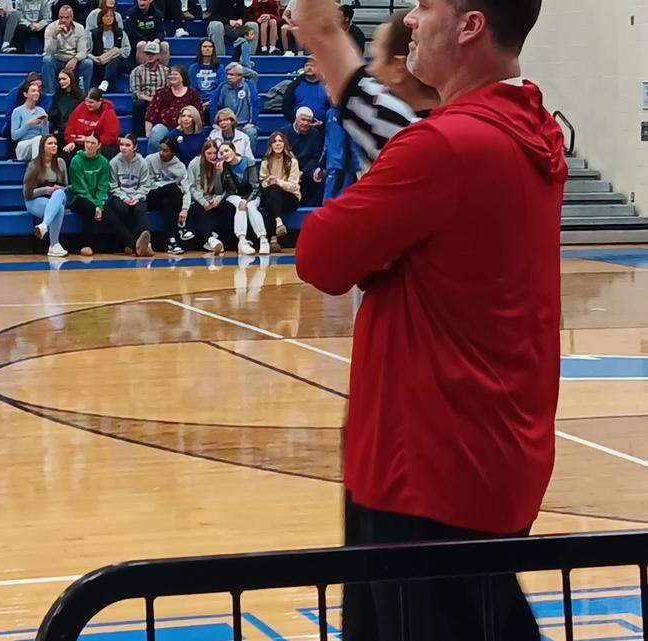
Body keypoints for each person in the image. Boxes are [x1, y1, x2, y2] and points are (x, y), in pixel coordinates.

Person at [293, 0, 565, 638]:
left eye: (424, 6)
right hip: (486, 455)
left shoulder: (445, 145)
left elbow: (321, 255)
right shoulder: (531, 129)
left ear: (471, 26)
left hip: (425, 469)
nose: (410, 19)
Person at [291, 6, 438, 167]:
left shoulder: (397, 127)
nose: (370, 70)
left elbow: (320, 28)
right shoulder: (460, 125)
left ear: (399, 67)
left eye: (376, 59)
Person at [71, 135, 149, 257]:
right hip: (80, 198)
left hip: (98, 199)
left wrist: (100, 204)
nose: (89, 145)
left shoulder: (103, 162)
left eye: (93, 142)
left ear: (99, 145)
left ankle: (134, 246)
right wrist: (96, 205)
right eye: (87, 142)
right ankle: (85, 245)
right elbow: (80, 188)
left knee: (111, 215)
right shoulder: (76, 160)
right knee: (89, 208)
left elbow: (103, 188)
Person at [105, 134, 154, 254]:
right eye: (121, 145)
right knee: (122, 209)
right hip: (120, 195)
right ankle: (138, 245)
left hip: (138, 195)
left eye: (127, 145)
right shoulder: (114, 162)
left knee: (140, 209)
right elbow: (113, 186)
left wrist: (136, 198)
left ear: (135, 147)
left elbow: (145, 185)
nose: (124, 148)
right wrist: (125, 198)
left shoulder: (142, 163)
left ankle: (144, 244)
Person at [24, 133, 71, 257]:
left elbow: (66, 186)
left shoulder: (60, 162)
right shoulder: (33, 165)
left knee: (60, 193)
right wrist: (45, 190)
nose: (54, 146)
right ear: (42, 147)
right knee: (59, 209)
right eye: (50, 143)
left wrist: (57, 188)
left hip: (58, 197)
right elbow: (27, 193)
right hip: (36, 201)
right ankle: (54, 245)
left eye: (55, 143)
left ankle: (44, 225)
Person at [218, 140, 268, 254]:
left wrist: (247, 200)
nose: (224, 154)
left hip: (252, 194)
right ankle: (242, 241)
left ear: (234, 150)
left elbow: (255, 187)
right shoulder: (223, 167)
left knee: (250, 206)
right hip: (233, 195)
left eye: (226, 151)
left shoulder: (249, 163)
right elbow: (220, 190)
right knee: (240, 205)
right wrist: (218, 174)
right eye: (221, 153)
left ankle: (263, 240)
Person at [145, 136, 192, 254]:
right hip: (151, 196)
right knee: (174, 189)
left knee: (169, 202)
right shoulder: (150, 160)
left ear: (173, 152)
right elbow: (147, 184)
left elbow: (186, 190)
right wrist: (169, 186)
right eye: (160, 149)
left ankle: (172, 242)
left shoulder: (180, 167)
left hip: (168, 200)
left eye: (165, 150)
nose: (161, 152)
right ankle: (182, 228)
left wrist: (185, 209)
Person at [146, 66, 204, 152]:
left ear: (183, 77)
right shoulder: (161, 92)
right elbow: (151, 113)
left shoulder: (193, 94)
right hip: (164, 125)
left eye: (175, 74)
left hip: (185, 127)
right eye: (170, 74)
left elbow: (198, 113)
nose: (172, 76)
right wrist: (148, 133)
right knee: (155, 135)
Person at [257, 131, 297, 252]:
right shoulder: (266, 161)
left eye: (280, 141)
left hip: (290, 197)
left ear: (285, 144)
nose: (278, 144)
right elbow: (262, 183)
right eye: (275, 141)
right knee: (272, 194)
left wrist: (278, 182)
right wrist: (268, 181)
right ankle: (278, 223)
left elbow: (294, 186)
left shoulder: (292, 161)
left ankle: (273, 238)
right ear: (271, 145)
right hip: (272, 195)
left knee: (273, 195)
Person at [187, 140, 229, 253]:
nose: (212, 156)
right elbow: (191, 187)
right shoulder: (194, 164)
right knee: (199, 211)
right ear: (203, 153)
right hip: (199, 200)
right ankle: (210, 239)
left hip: (214, 198)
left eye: (214, 153)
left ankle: (222, 240)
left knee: (228, 207)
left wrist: (218, 174)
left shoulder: (221, 164)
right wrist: (203, 202)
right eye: (209, 153)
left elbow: (222, 190)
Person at [41, 6, 93, 95]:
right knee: (47, 60)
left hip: (73, 62)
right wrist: (54, 36)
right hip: (57, 60)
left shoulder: (79, 28)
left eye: (66, 17)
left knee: (88, 63)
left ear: (72, 17)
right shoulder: (51, 28)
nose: (63, 20)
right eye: (61, 17)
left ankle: (83, 95)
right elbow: (49, 51)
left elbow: (83, 51)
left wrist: (75, 59)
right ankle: (50, 94)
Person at [279, 106, 324, 205]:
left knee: (320, 175)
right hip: (288, 168)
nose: (306, 123)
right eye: (303, 119)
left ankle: (312, 207)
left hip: (307, 168)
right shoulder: (283, 133)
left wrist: (302, 172)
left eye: (308, 120)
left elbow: (315, 157)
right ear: (296, 118)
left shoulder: (315, 133)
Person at [63, 87, 120, 160]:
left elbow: (111, 137)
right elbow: (70, 127)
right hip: (80, 143)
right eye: (86, 101)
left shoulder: (108, 112)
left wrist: (89, 140)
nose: (88, 104)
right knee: (67, 152)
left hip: (99, 144)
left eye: (91, 102)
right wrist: (71, 141)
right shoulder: (81, 107)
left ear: (100, 101)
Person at [210, 62, 261, 142]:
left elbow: (254, 104)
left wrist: (252, 123)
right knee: (214, 133)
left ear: (240, 76)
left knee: (251, 132)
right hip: (226, 124)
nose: (228, 77)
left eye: (232, 75)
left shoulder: (249, 86)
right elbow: (214, 105)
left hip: (244, 125)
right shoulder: (222, 87)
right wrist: (214, 123)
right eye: (227, 74)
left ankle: (249, 155)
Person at [128, 41, 168, 137]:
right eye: (147, 53)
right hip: (145, 100)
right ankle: (139, 135)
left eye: (153, 54)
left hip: (161, 100)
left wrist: (158, 99)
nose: (150, 56)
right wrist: (150, 99)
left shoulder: (166, 71)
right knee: (138, 103)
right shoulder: (137, 71)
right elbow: (136, 91)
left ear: (158, 55)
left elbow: (168, 89)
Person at [320, 105, 359, 201]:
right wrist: (320, 164)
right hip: (333, 163)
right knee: (328, 201)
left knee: (343, 200)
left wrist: (358, 167)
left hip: (348, 165)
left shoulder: (353, 113)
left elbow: (355, 142)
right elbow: (327, 140)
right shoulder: (330, 113)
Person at [88, 7, 128, 92]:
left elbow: (127, 50)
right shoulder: (93, 33)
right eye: (106, 16)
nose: (109, 18)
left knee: (113, 61)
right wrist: (94, 58)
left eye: (111, 16)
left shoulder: (120, 33)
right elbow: (87, 51)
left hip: (117, 62)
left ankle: (105, 82)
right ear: (101, 18)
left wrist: (115, 53)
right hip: (98, 61)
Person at [282, 56, 330, 123]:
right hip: (299, 126)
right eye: (307, 65)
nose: (309, 68)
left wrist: (323, 122)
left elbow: (331, 108)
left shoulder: (326, 86)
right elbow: (286, 108)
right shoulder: (294, 85)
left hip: (322, 127)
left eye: (313, 66)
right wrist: (297, 122)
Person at [12, 81, 51, 161]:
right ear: (26, 94)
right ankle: (38, 168)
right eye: (33, 91)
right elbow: (14, 136)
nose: (36, 93)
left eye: (37, 91)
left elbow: (45, 136)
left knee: (42, 140)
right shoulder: (18, 111)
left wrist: (45, 123)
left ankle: (38, 166)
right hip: (23, 145)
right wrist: (28, 124)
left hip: (39, 143)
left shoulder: (41, 110)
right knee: (38, 140)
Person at [124, 0, 168, 64]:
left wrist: (157, 40)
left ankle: (162, 71)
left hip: (154, 41)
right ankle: (142, 71)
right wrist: (146, 41)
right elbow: (132, 32)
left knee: (165, 45)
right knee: (141, 44)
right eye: (139, 0)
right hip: (137, 42)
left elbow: (161, 31)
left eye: (144, 0)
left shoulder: (157, 13)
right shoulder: (131, 13)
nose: (141, 2)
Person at [48, 67, 83, 136]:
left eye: (64, 79)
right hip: (59, 130)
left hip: (75, 131)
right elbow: (51, 114)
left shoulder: (80, 96)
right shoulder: (57, 96)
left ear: (71, 79)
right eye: (59, 80)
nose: (61, 82)